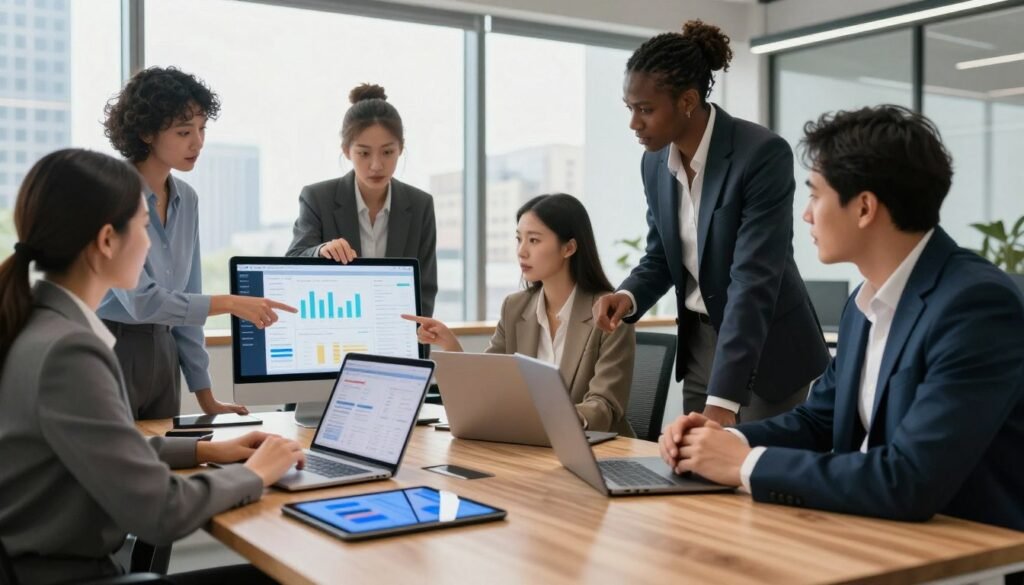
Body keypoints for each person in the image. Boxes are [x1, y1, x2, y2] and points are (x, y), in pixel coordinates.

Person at [658, 105, 1024, 536]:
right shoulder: (864, 303)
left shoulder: (975, 306)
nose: (807, 214)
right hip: (872, 532)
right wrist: (724, 440)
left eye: (814, 194)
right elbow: (818, 421)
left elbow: (910, 479)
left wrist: (744, 465)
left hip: (964, 553)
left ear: (865, 207)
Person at [0, 149, 306, 584]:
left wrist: (205, 451)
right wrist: (253, 474)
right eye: (144, 227)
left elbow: (102, 449)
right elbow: (160, 511)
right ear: (107, 241)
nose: (150, 244)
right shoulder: (69, 353)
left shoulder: (35, 326)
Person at [593, 20, 830, 426]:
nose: (634, 123)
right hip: (701, 344)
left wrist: (724, 399)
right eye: (630, 108)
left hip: (764, 348)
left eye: (646, 110)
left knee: (751, 478)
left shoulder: (759, 154)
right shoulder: (654, 163)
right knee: (698, 474)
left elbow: (753, 279)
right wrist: (628, 296)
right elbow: (662, 255)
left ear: (687, 101)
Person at [99, 67, 296, 420]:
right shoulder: (113, 191)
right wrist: (231, 303)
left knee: (162, 466)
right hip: (112, 346)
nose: (198, 143)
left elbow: (189, 298)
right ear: (145, 132)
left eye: (202, 129)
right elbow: (141, 302)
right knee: (117, 467)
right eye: (184, 132)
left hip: (164, 349)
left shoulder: (186, 198)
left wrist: (206, 395)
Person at [404, 194, 635, 436]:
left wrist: (555, 418)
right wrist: (450, 344)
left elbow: (605, 405)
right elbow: (487, 383)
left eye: (534, 240)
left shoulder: (608, 311)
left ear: (569, 248)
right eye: (519, 239)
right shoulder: (515, 308)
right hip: (533, 446)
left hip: (601, 452)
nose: (521, 251)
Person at [286, 83, 438, 317]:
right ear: (347, 150)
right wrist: (321, 251)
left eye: (387, 152)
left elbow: (425, 292)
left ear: (401, 148)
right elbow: (293, 261)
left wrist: (414, 346)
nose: (376, 165)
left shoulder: (420, 205)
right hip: (335, 331)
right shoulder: (318, 198)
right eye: (364, 153)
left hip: (396, 340)